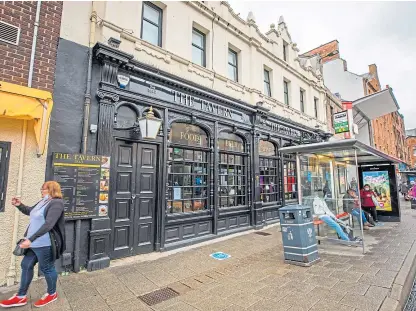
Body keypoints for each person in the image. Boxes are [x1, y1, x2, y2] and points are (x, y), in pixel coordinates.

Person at [0, 181, 65, 309]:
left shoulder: (57, 203)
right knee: (26, 265)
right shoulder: (43, 202)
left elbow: (49, 224)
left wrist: (31, 239)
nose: (41, 190)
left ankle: (52, 294)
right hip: (33, 242)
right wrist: (19, 205)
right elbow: (31, 211)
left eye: (44, 189)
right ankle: (20, 296)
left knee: (47, 268)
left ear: (51, 190)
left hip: (44, 243)